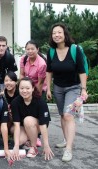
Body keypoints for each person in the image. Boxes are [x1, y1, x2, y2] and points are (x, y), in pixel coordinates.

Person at [46, 23, 88, 162]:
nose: (57, 35)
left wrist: (83, 89)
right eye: (54, 33)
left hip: (74, 87)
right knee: (62, 115)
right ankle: (65, 139)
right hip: (58, 88)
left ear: (65, 34)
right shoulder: (51, 51)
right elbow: (49, 70)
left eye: (59, 32)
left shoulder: (75, 50)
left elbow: (82, 70)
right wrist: (49, 87)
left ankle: (68, 149)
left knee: (68, 115)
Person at [11, 77, 54, 160]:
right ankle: (30, 138)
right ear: (18, 88)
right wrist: (16, 146)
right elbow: (16, 125)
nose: (24, 91)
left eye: (27, 88)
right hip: (24, 126)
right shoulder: (15, 102)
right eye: (22, 88)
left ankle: (33, 147)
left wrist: (46, 145)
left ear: (33, 88)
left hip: (38, 126)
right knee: (19, 141)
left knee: (28, 120)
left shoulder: (40, 102)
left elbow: (43, 125)